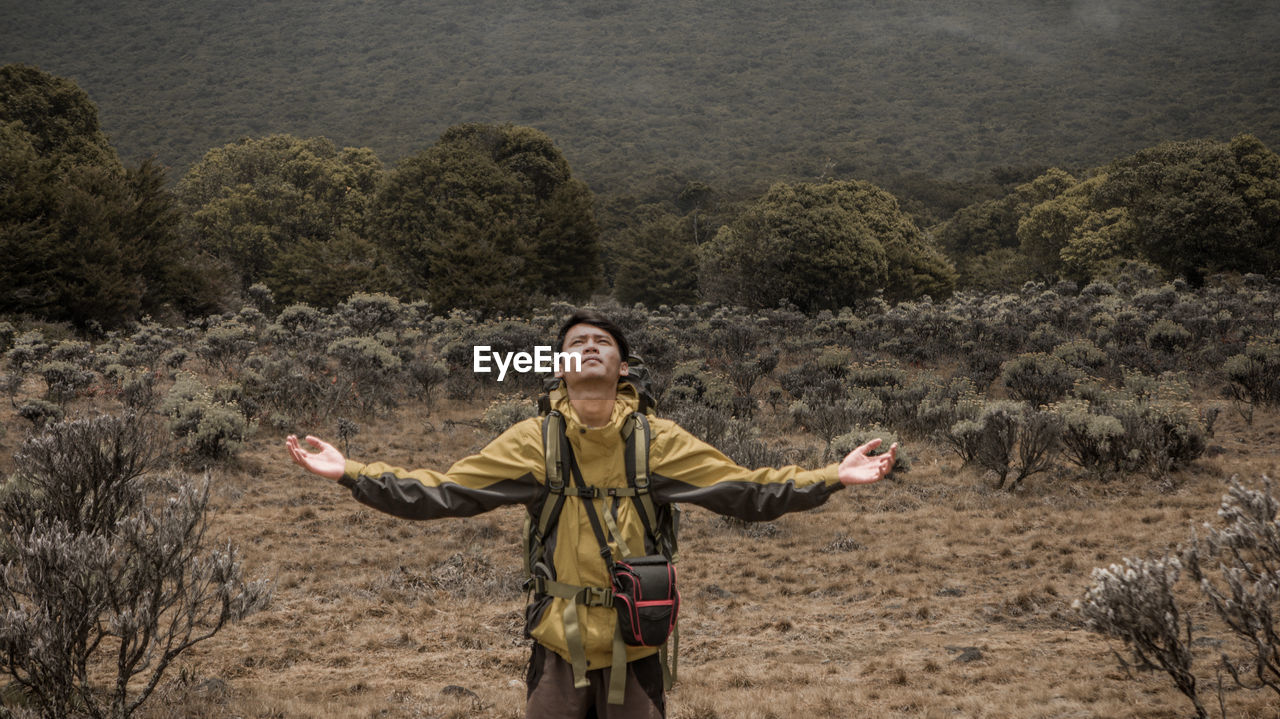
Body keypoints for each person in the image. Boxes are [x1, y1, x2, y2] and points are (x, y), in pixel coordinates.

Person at [287, 310, 896, 718]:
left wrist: (831, 477)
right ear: (558, 367)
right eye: (576, 343)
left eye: (602, 342)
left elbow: (746, 490)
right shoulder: (533, 442)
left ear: (622, 368)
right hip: (558, 644)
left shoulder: (657, 440)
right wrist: (351, 474)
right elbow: (447, 492)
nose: (589, 348)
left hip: (637, 646)